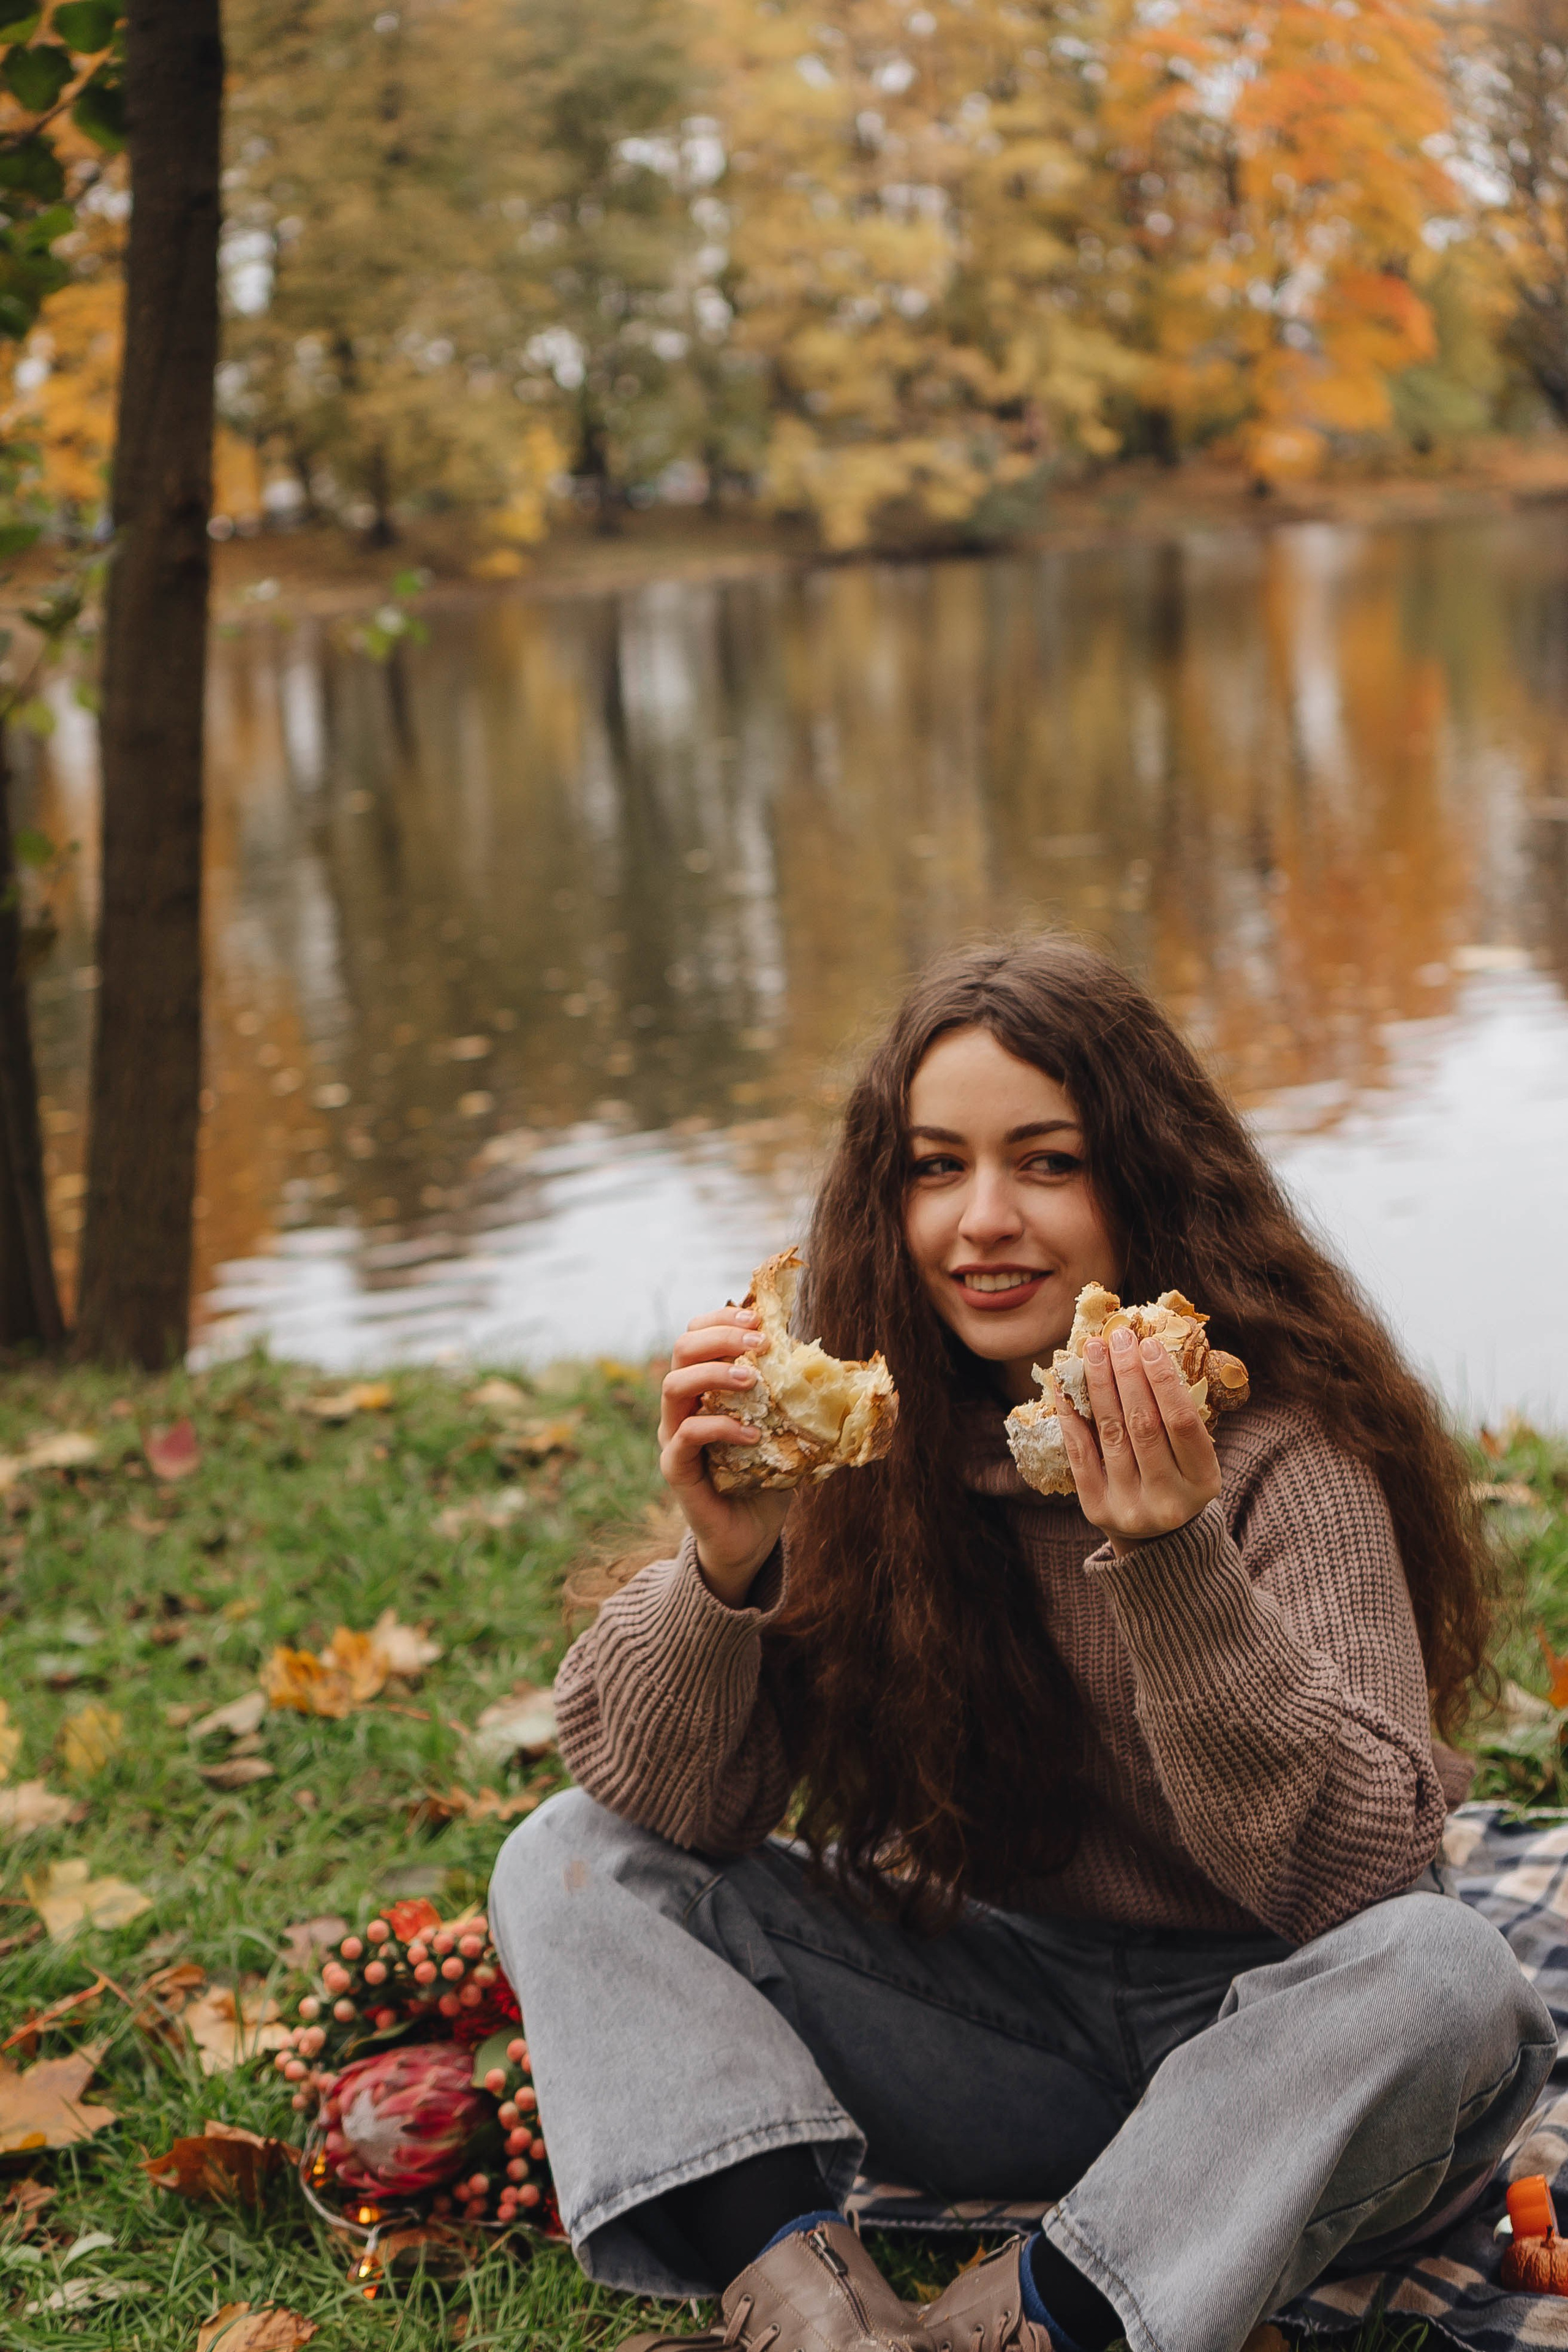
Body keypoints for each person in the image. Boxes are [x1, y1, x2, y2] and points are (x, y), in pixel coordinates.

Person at [489, 937, 1555, 2352]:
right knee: (566, 1858)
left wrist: (1173, 1557)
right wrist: (724, 1566)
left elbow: (1356, 1876)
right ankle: (809, 2311)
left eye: (1043, 1162)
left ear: (1142, 1182)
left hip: (1285, 2060)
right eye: (936, 1167)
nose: (980, 1220)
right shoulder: (863, 1452)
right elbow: (670, 1808)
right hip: (1003, 2027)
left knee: (1448, 1975)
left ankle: (1029, 2319)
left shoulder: (1284, 1455)